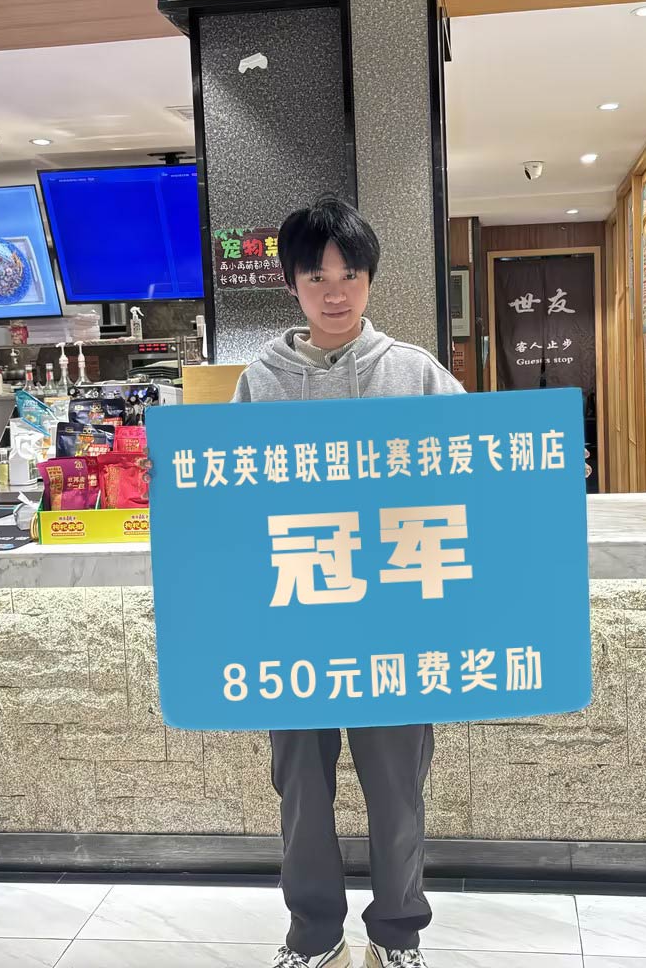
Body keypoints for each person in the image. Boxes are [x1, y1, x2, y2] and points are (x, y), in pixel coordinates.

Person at [232, 194, 463, 968]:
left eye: (350, 276)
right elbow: (229, 499)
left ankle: (396, 933)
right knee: (300, 787)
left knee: (397, 788)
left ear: (370, 280)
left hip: (394, 618)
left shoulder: (416, 373)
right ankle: (314, 933)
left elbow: (478, 474)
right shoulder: (259, 383)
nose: (335, 293)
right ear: (292, 285)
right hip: (294, 613)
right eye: (316, 277)